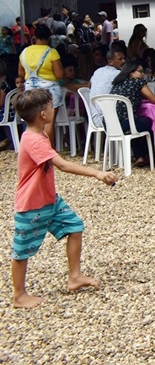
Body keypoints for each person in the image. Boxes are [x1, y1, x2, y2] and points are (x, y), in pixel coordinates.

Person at [9, 89, 118, 309]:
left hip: (50, 201)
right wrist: (97, 173)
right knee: (22, 250)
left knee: (75, 227)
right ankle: (19, 295)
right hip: (32, 206)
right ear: (42, 114)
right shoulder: (34, 140)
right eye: (51, 107)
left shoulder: (39, 134)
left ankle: (74, 276)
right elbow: (63, 165)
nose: (54, 110)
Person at [110, 61, 155, 167]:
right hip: (126, 123)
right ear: (131, 73)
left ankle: (140, 156)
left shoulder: (116, 84)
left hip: (110, 125)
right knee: (151, 123)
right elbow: (154, 100)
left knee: (134, 123)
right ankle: (149, 154)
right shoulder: (138, 82)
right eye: (140, 71)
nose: (143, 74)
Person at [16, 24, 63, 140]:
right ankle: (47, 149)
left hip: (30, 91)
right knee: (48, 122)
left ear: (35, 37)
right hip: (50, 90)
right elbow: (59, 75)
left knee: (33, 123)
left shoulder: (24, 52)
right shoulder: (52, 52)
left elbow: (21, 74)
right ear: (49, 38)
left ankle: (34, 148)